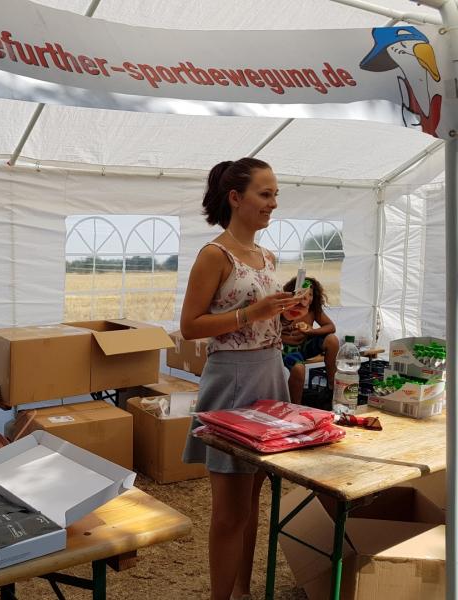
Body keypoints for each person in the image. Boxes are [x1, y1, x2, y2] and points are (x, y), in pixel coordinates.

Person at [180, 158, 299, 600]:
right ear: (235, 198)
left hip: (270, 373)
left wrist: (287, 319)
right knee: (230, 512)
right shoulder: (215, 255)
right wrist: (253, 313)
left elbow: (261, 320)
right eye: (265, 194)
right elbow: (190, 326)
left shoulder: (267, 256)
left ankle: (243, 592)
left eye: (275, 195)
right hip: (232, 380)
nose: (273, 203)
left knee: (251, 503)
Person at [280, 276, 338, 404]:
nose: (307, 298)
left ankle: (331, 386)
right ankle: (295, 406)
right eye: (303, 293)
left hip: (303, 347)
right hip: (286, 350)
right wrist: (283, 332)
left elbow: (331, 327)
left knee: (332, 340)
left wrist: (311, 331)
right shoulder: (283, 307)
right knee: (299, 369)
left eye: (310, 294)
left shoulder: (313, 310)